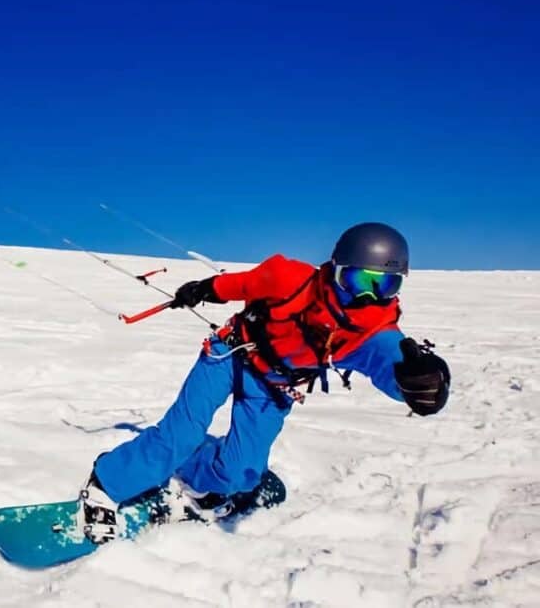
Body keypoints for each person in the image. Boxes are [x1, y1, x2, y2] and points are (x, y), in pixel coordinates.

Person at [76, 222, 451, 543]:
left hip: (273, 385)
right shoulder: (290, 278)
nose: (366, 297)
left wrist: (422, 385)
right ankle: (107, 483)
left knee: (241, 472)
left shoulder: (371, 330)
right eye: (357, 280)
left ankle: (194, 476)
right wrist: (203, 289)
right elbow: (242, 284)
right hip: (228, 355)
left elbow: (391, 362)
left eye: (384, 285)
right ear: (334, 269)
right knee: (181, 433)